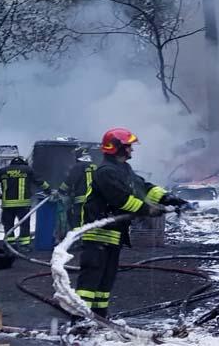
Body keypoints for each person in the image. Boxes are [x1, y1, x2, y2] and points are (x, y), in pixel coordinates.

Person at [75, 128, 186, 317]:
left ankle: (99, 317)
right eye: (128, 146)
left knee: (105, 281)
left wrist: (169, 198)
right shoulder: (106, 172)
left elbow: (143, 187)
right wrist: (148, 209)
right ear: (117, 147)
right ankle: (79, 319)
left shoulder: (123, 169)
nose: (131, 150)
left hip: (113, 235)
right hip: (98, 235)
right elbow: (121, 199)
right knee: (90, 281)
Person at [0, 156, 52, 251]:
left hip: (7, 205)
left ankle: (10, 245)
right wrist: (48, 190)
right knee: (24, 225)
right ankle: (24, 246)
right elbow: (40, 182)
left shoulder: (3, 171)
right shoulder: (27, 170)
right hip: (23, 205)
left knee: (8, 225)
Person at [59, 148, 97, 230]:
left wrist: (61, 191)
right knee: (90, 221)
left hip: (81, 201)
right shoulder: (94, 167)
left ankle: (77, 236)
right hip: (94, 201)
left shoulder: (78, 167)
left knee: (77, 221)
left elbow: (70, 181)